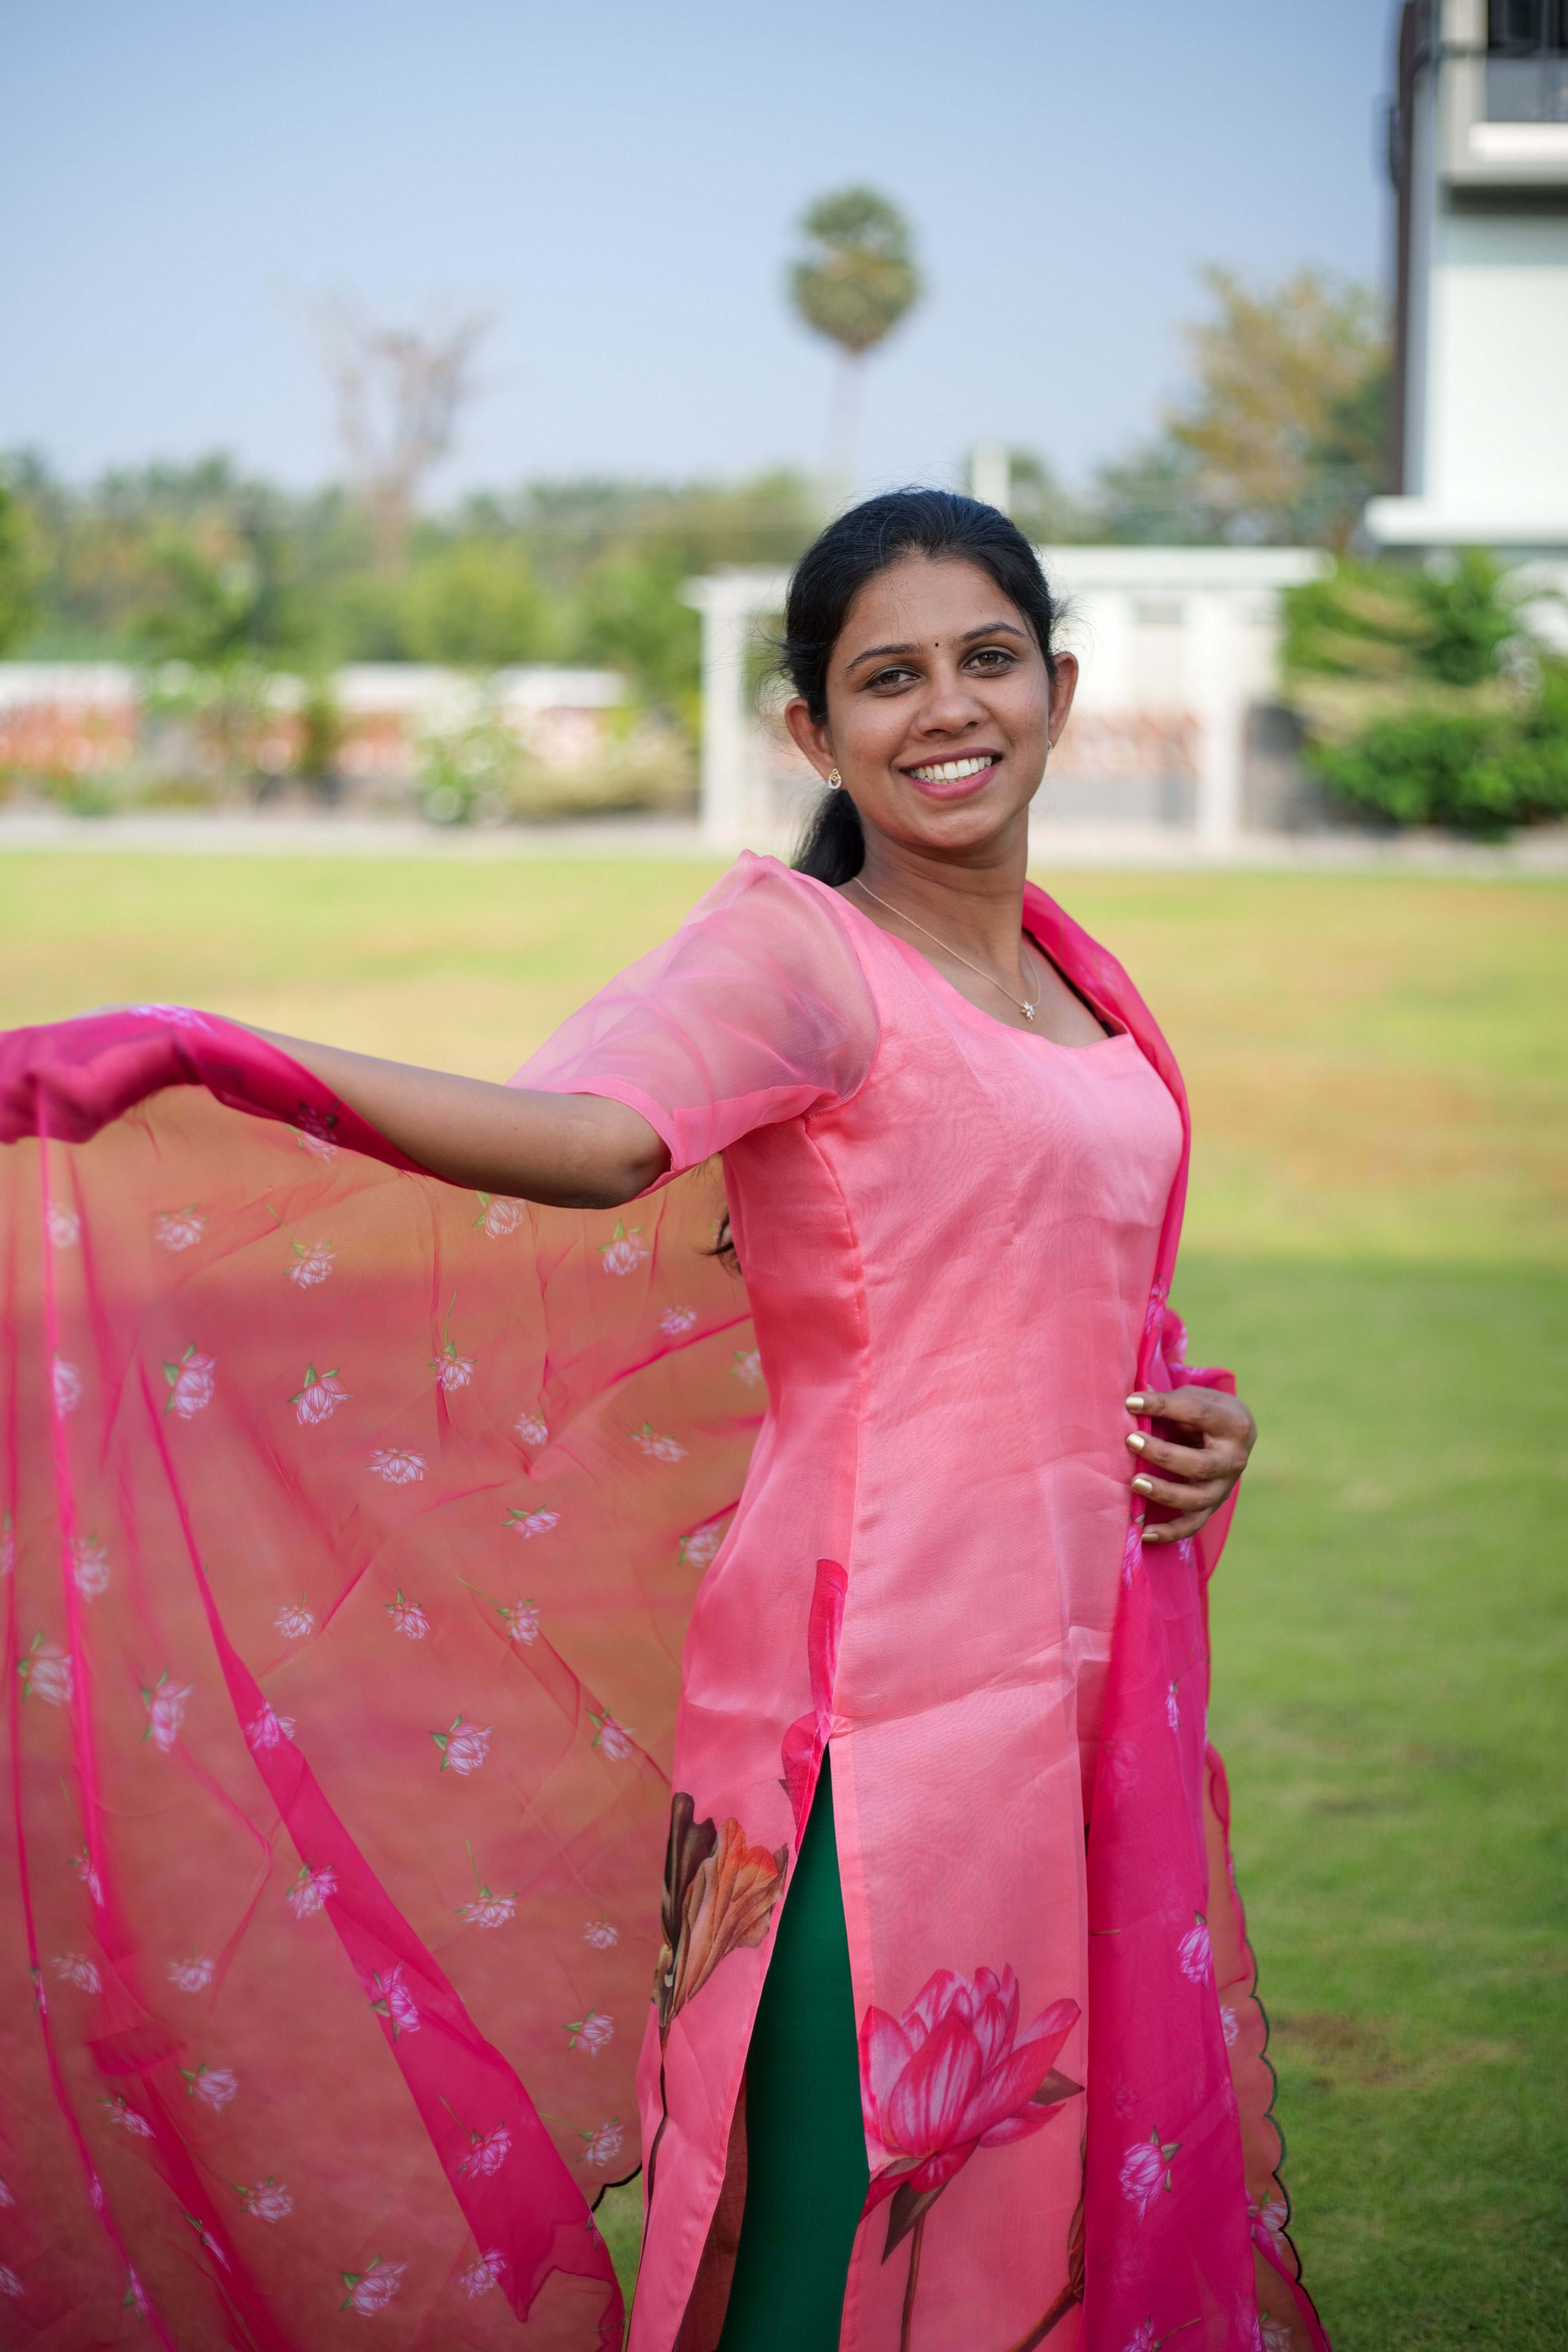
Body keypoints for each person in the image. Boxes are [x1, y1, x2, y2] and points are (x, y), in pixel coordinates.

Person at [0, 491, 1326, 2352]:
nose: (946, 709)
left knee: (1030, 2190)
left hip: (1084, 1685)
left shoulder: (1075, 979)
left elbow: (1069, 1289)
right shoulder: (799, 956)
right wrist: (217, 1056)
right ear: (814, 733)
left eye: (986, 660)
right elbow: (604, 1137)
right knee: (833, 2204)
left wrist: (1194, 1430)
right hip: (865, 1710)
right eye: (887, 678)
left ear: (1058, 686)